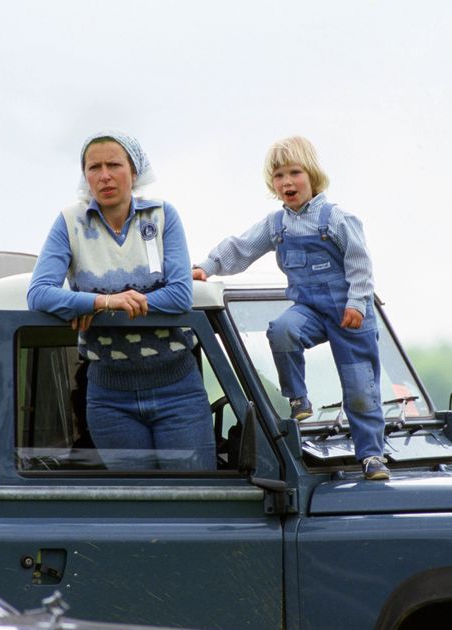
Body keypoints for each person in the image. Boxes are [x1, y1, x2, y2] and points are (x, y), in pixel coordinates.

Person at [192, 136, 389, 480]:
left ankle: (371, 455)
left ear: (312, 175)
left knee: (361, 388)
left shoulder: (337, 219)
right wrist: (207, 267)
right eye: (279, 176)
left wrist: (358, 303)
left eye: (294, 172)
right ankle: (298, 399)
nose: (287, 182)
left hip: (349, 313)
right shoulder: (276, 225)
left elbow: (360, 264)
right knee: (282, 330)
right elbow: (242, 248)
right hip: (310, 310)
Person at [27, 130, 216, 471]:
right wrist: (102, 304)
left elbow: (179, 295)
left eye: (114, 165)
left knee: (195, 499)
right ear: (84, 175)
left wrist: (82, 302)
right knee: (137, 506)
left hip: (179, 389)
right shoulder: (69, 223)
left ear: (134, 170)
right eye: (93, 167)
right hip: (109, 396)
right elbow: (38, 294)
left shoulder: (162, 216)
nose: (104, 176)